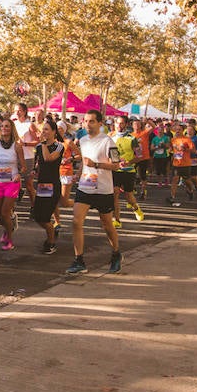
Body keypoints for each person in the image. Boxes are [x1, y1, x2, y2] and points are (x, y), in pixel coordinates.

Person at [66, 109, 122, 275]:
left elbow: (116, 165)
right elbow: (84, 162)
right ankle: (79, 260)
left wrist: (96, 165)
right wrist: (78, 174)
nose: (88, 124)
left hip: (103, 189)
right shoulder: (82, 140)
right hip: (85, 187)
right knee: (76, 222)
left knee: (107, 224)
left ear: (100, 123)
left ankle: (116, 254)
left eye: (92, 121)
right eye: (86, 121)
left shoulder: (108, 141)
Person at [0, 118, 27, 251]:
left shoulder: (17, 146)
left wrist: (19, 174)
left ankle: (9, 239)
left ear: (11, 129)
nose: (4, 128)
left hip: (12, 183)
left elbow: (23, 167)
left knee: (5, 213)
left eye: (7, 126)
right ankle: (9, 226)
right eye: (2, 126)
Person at [31, 118, 64, 254]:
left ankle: (51, 242)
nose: (43, 132)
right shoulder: (38, 147)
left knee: (45, 216)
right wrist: (34, 170)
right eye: (42, 129)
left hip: (53, 184)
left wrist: (43, 143)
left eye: (46, 129)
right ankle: (51, 231)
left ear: (54, 132)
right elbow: (39, 161)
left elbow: (48, 158)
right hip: (42, 185)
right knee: (37, 216)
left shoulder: (59, 146)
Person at [168, 123, 197, 204]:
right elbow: (171, 148)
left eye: (179, 130)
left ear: (182, 131)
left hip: (185, 163)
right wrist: (170, 149)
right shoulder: (173, 139)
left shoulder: (187, 139)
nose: (177, 131)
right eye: (176, 130)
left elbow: (193, 150)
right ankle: (172, 197)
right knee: (174, 180)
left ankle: (190, 191)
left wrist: (185, 149)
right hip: (176, 163)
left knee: (187, 180)